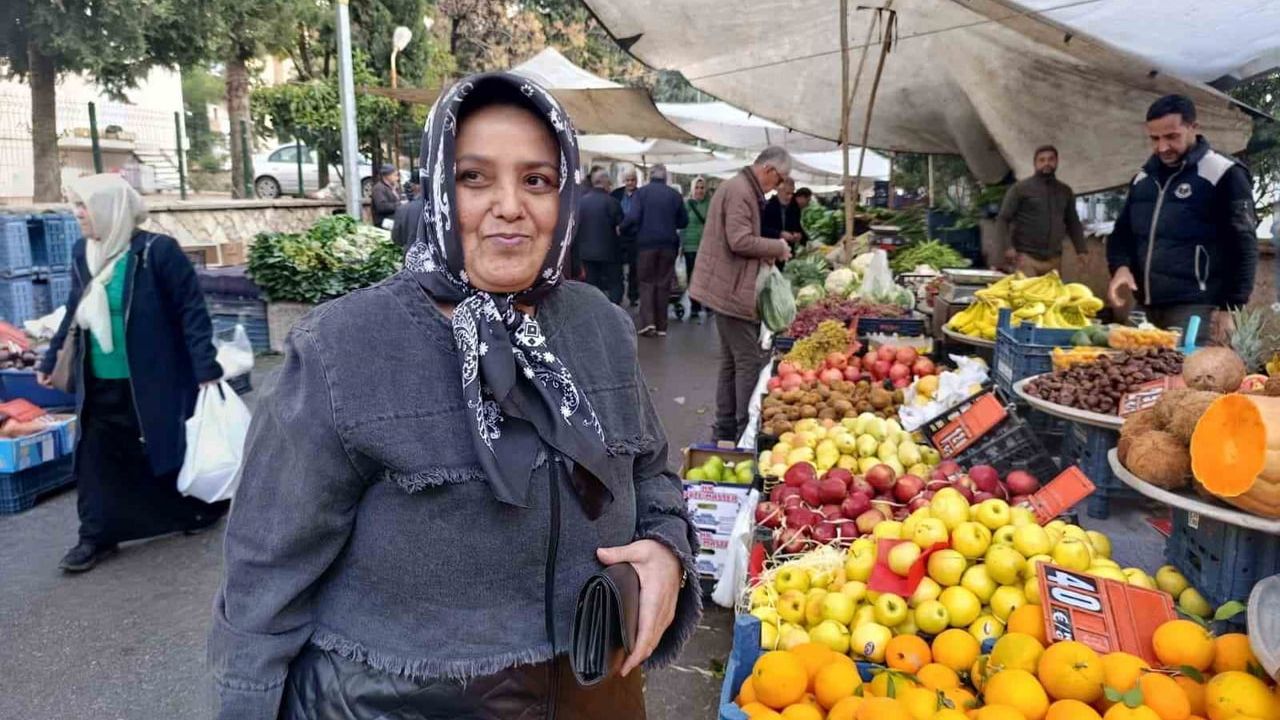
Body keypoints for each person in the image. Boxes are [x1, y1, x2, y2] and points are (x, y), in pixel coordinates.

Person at [209, 73, 700, 720]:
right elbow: (263, 576)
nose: (509, 206)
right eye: (474, 178)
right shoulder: (343, 347)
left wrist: (668, 551)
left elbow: (649, 473)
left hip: (593, 691)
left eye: (536, 180)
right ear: (438, 185)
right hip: (397, 703)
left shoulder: (599, 327)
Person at [35, 174, 224, 572]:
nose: (78, 214)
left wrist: (205, 366)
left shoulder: (158, 252)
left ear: (110, 208)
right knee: (95, 457)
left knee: (159, 450)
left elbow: (191, 311)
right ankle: (95, 536)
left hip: (153, 378)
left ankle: (189, 511)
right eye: (76, 205)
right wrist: (50, 359)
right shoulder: (81, 253)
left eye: (84, 205)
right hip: (98, 379)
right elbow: (73, 312)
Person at [1106, 94, 1258, 345]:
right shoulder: (1143, 178)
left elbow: (1244, 244)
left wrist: (1231, 306)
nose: (1162, 147)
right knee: (1127, 376)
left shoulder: (1223, 173)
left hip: (1195, 308)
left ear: (1193, 128)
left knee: (1183, 378)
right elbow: (1121, 234)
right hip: (1145, 305)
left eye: (1171, 136)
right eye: (1154, 138)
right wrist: (1120, 267)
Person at [690, 147, 793, 442]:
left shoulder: (740, 187)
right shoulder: (740, 191)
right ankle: (742, 428)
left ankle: (725, 426)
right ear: (770, 170)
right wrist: (776, 247)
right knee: (747, 359)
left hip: (728, 286)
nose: (778, 186)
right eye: (780, 179)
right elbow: (739, 240)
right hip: (730, 289)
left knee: (732, 360)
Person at [996, 145, 1086, 276]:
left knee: (1051, 296)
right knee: (1028, 295)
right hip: (1026, 258)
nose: (1047, 163)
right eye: (1042, 160)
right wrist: (1008, 247)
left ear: (1057, 162)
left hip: (1054, 259)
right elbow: (1003, 219)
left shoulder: (1065, 191)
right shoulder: (1020, 189)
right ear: (1035, 163)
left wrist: (1081, 250)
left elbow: (1073, 222)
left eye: (1051, 159)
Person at [621, 164, 688, 337]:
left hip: (646, 245)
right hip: (668, 246)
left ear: (650, 176)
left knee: (646, 282)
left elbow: (633, 217)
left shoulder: (641, 194)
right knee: (663, 284)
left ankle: (648, 323)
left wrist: (622, 228)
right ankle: (661, 326)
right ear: (665, 177)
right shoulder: (674, 195)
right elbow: (683, 221)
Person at [577, 168, 626, 303]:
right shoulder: (612, 202)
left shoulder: (581, 203)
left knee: (591, 285)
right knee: (615, 283)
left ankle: (594, 312)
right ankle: (614, 311)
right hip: (610, 252)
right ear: (604, 182)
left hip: (586, 253)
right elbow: (621, 227)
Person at [681, 176, 711, 321]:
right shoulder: (687, 204)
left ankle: (707, 303)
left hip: (705, 246)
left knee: (705, 277)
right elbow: (682, 225)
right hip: (690, 245)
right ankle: (695, 306)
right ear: (692, 190)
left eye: (702, 188)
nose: (699, 191)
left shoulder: (709, 204)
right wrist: (681, 245)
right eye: (697, 188)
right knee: (692, 276)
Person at [612, 169, 641, 306]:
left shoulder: (641, 194)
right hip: (619, 235)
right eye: (628, 180)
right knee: (618, 267)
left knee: (634, 268)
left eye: (633, 180)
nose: (630, 183)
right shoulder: (616, 194)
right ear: (624, 181)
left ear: (636, 181)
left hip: (635, 236)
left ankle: (633, 295)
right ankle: (619, 294)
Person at [761, 177, 804, 246]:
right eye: (787, 193)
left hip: (788, 250)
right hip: (771, 249)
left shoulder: (794, 208)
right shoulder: (767, 206)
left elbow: (797, 227)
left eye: (792, 193)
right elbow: (761, 229)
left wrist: (798, 235)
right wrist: (779, 234)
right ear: (779, 190)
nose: (790, 197)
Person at [370, 164, 402, 229]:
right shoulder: (378, 188)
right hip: (383, 221)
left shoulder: (393, 187)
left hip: (394, 218)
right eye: (395, 175)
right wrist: (400, 204)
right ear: (387, 176)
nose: (397, 178)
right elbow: (382, 206)